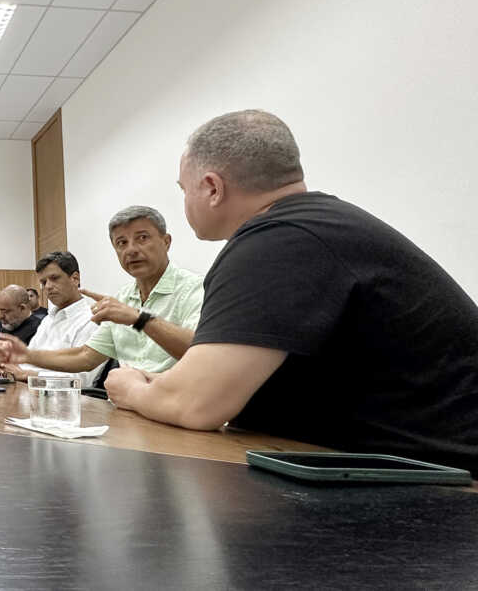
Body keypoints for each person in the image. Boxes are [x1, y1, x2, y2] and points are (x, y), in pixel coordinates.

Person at [104, 109, 478, 472]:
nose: (185, 200)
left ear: (213, 188)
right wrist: (164, 388)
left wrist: (131, 389)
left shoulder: (280, 241)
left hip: (442, 485)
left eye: (185, 189)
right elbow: (212, 385)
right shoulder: (314, 228)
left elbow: (196, 405)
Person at [0, 207, 203, 384]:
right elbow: (86, 356)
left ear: (166, 241)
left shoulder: (194, 289)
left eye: (142, 238)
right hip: (126, 409)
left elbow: (201, 351)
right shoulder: (122, 297)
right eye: (122, 243)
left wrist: (139, 319)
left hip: (176, 410)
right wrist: (27, 355)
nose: (131, 250)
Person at [0, 251, 99, 377]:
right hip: (32, 391)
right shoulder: (48, 320)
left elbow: (82, 379)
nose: (48, 286)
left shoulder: (90, 320)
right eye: (43, 282)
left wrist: (27, 375)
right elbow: (27, 363)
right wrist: (6, 367)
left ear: (75, 278)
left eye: (54, 278)